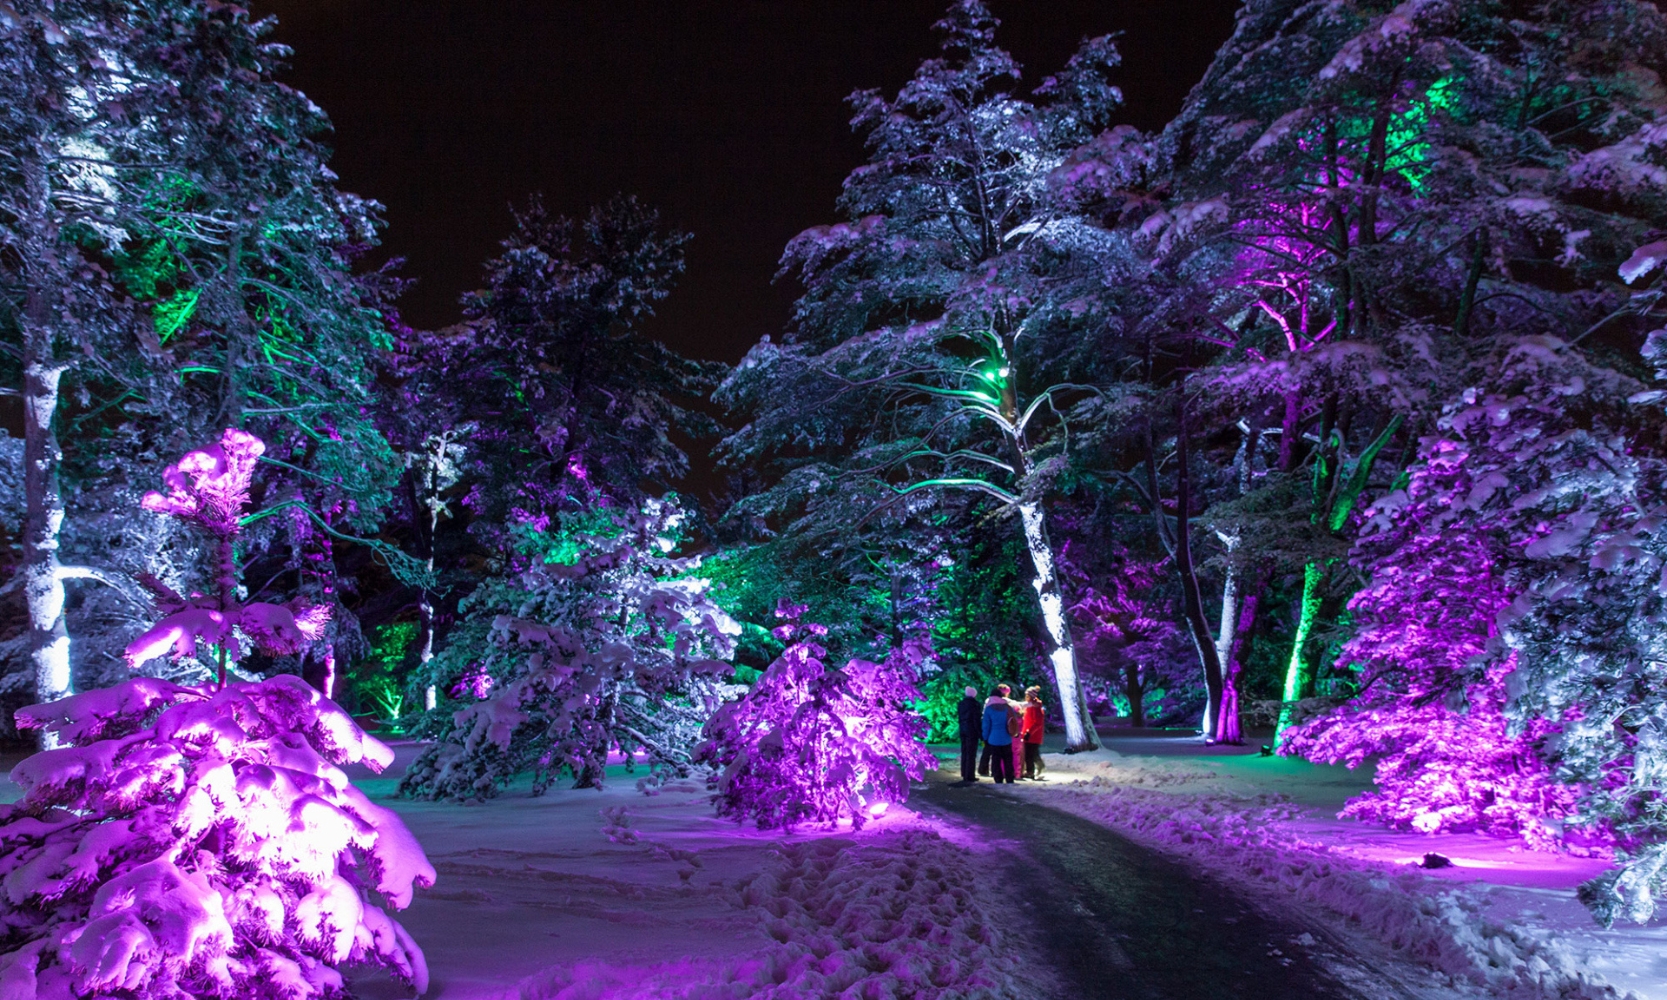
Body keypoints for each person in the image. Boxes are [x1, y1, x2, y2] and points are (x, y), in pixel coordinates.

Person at [981, 686, 1018, 783]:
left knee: (996, 760)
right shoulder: (1008, 708)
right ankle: (1010, 778)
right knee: (1008, 760)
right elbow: (1013, 721)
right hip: (1007, 738)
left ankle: (998, 778)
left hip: (993, 739)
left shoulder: (989, 709)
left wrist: (985, 738)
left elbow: (986, 726)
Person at [956, 685, 982, 783]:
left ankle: (964, 772)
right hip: (972, 730)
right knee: (971, 753)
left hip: (963, 729)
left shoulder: (961, 704)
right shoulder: (975, 705)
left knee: (965, 751)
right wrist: (979, 733)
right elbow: (976, 720)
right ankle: (970, 775)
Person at [1020, 686, 1047, 780]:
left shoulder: (1035, 707)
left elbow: (1037, 723)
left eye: (1027, 696)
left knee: (1029, 754)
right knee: (1032, 753)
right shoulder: (1030, 706)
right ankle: (1036, 766)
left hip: (1033, 735)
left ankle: (1030, 771)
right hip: (1029, 734)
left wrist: (1029, 732)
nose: (1025, 697)